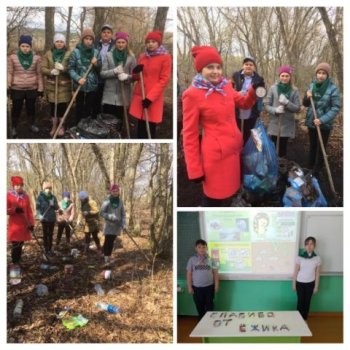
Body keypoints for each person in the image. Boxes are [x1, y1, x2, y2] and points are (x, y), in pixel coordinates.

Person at [182, 46, 264, 207]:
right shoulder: (192, 94)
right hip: (215, 157)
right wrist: (194, 169)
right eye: (210, 67)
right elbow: (189, 134)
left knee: (232, 193)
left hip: (234, 151)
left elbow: (244, 103)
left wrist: (254, 90)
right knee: (213, 199)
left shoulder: (226, 85)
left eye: (218, 67)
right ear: (200, 69)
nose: (216, 71)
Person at [129, 31, 172, 138]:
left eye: (153, 41)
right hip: (140, 95)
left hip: (152, 98)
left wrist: (150, 98)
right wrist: (135, 72)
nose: (150, 44)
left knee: (150, 126)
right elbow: (137, 77)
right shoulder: (143, 56)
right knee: (140, 126)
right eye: (148, 42)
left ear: (159, 43)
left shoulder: (165, 57)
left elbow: (164, 80)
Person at [302, 62, 341, 177]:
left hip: (324, 124)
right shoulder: (312, 85)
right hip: (311, 121)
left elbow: (336, 107)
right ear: (316, 74)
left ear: (327, 75)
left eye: (324, 73)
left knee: (321, 147)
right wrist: (306, 96)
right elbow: (305, 103)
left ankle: (318, 169)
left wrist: (322, 120)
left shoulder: (333, 89)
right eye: (319, 73)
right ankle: (309, 167)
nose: (321, 75)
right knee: (313, 145)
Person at [7, 35, 44, 137]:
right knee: (16, 108)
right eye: (23, 46)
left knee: (31, 108)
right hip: (17, 88)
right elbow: (10, 72)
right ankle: (14, 126)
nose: (25, 48)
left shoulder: (36, 58)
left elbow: (39, 74)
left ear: (30, 47)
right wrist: (8, 85)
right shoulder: (12, 58)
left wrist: (40, 88)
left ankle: (31, 124)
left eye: (27, 46)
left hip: (32, 88)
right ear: (19, 46)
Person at [100, 32, 136, 132]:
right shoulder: (109, 56)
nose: (120, 44)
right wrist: (114, 72)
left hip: (123, 96)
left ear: (126, 43)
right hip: (109, 96)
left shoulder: (131, 58)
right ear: (115, 43)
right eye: (118, 42)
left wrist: (127, 77)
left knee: (118, 123)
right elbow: (102, 73)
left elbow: (135, 77)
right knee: (107, 123)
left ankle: (118, 135)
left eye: (123, 42)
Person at [265, 65, 301, 157]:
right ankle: (273, 166)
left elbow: (297, 108)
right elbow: (267, 105)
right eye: (282, 75)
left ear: (290, 77)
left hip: (286, 124)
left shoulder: (294, 90)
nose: (284, 78)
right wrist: (275, 110)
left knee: (283, 148)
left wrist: (287, 103)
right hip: (275, 123)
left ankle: (281, 166)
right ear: (279, 76)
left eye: (287, 76)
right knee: (273, 146)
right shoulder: (273, 88)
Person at [41, 33, 72, 137]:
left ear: (64, 43)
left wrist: (64, 69)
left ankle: (61, 126)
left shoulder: (69, 54)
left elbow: (72, 68)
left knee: (62, 107)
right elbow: (43, 68)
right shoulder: (48, 54)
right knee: (53, 106)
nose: (59, 43)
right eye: (57, 41)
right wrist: (51, 71)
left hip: (64, 86)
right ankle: (54, 126)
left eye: (61, 41)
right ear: (54, 42)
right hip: (52, 87)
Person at [68, 28, 101, 124]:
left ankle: (86, 127)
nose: (88, 41)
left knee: (89, 107)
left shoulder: (96, 52)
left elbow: (100, 70)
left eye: (91, 39)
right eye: (86, 38)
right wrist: (78, 78)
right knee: (79, 107)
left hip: (92, 85)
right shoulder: (75, 52)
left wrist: (96, 64)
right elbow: (70, 69)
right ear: (82, 39)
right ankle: (77, 125)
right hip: (79, 85)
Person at [232, 57, 265, 143]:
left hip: (251, 110)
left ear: (254, 67)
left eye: (251, 65)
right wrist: (237, 93)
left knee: (248, 134)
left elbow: (260, 95)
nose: (248, 66)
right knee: (236, 134)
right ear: (243, 66)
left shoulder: (259, 79)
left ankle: (246, 153)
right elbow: (229, 90)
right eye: (246, 64)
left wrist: (260, 109)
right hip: (236, 110)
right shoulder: (235, 76)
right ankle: (237, 152)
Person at [186, 239, 219, 320]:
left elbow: (215, 273)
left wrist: (216, 285)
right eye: (199, 247)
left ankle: (210, 321)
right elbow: (189, 274)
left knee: (210, 306)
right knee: (199, 306)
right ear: (196, 248)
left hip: (209, 287)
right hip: (197, 288)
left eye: (204, 247)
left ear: (206, 248)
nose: (202, 249)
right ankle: (201, 323)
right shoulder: (192, 260)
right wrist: (189, 287)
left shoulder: (212, 259)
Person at [7, 176, 34, 265]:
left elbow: (29, 211)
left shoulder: (25, 197)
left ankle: (18, 261)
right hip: (14, 227)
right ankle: (15, 265)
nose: (19, 187)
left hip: (24, 225)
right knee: (15, 246)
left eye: (20, 185)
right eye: (17, 185)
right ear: (13, 186)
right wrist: (14, 210)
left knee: (20, 245)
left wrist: (31, 224)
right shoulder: (9, 195)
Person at [293, 236, 321, 320]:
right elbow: (295, 272)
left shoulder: (317, 258)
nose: (309, 246)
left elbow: (317, 273)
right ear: (305, 246)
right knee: (300, 302)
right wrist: (294, 285)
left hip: (310, 284)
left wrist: (316, 287)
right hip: (300, 283)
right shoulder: (299, 257)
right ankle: (298, 319)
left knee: (307, 302)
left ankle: (304, 319)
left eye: (311, 244)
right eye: (307, 244)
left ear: (314, 245)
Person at [99, 184, 126, 264]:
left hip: (117, 226)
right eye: (113, 191)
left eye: (117, 191)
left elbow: (123, 214)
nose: (115, 192)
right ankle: (106, 258)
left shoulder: (120, 201)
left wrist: (124, 223)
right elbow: (101, 213)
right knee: (108, 241)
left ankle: (107, 255)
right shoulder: (107, 200)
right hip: (109, 225)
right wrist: (110, 217)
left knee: (112, 241)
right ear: (111, 191)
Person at [94, 24, 115, 115]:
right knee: (96, 99)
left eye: (108, 32)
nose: (106, 34)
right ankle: (96, 118)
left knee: (108, 101)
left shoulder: (115, 45)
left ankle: (107, 121)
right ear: (101, 33)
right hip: (97, 76)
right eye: (104, 32)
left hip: (110, 76)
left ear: (111, 34)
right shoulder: (95, 44)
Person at [36, 182, 59, 256]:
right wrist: (39, 216)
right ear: (44, 189)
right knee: (46, 235)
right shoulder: (40, 197)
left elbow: (57, 207)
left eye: (49, 188)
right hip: (44, 219)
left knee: (51, 234)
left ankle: (50, 249)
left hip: (52, 218)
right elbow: (38, 209)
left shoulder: (53, 197)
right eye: (47, 188)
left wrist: (53, 205)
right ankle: (46, 249)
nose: (48, 190)